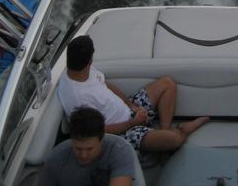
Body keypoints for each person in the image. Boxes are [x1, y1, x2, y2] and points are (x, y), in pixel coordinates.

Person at [58, 35, 209, 155]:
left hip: (129, 111)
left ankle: (164, 131)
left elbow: (105, 85)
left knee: (167, 84)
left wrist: (132, 106)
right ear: (90, 60)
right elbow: (98, 131)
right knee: (176, 139)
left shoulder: (79, 69)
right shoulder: (77, 100)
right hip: (123, 133)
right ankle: (176, 134)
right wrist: (133, 122)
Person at [40, 106, 134, 186]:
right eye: (78, 148)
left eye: (89, 149)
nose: (83, 155)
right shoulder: (54, 159)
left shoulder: (120, 150)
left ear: (101, 140)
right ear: (71, 140)